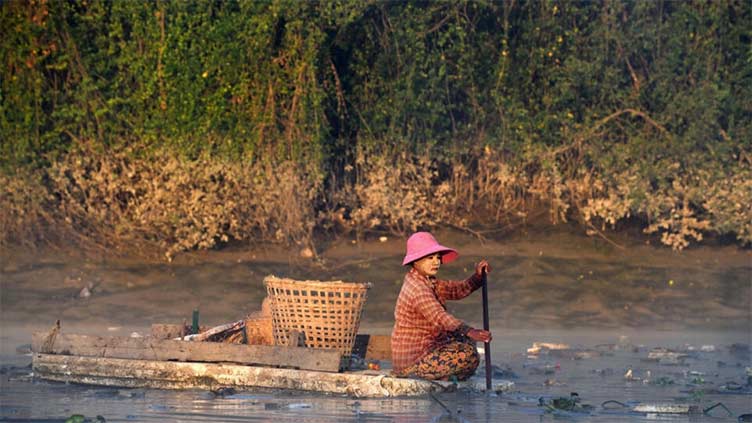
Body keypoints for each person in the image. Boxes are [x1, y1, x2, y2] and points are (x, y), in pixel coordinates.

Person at [391, 231, 492, 381]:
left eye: (437, 257)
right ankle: (423, 376)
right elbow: (440, 317)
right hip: (413, 359)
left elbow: (456, 290)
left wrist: (477, 277)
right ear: (416, 261)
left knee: (465, 343)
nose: (436, 262)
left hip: (429, 348)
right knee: (468, 355)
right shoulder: (417, 288)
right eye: (430, 258)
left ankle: (443, 376)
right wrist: (469, 330)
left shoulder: (428, 281)